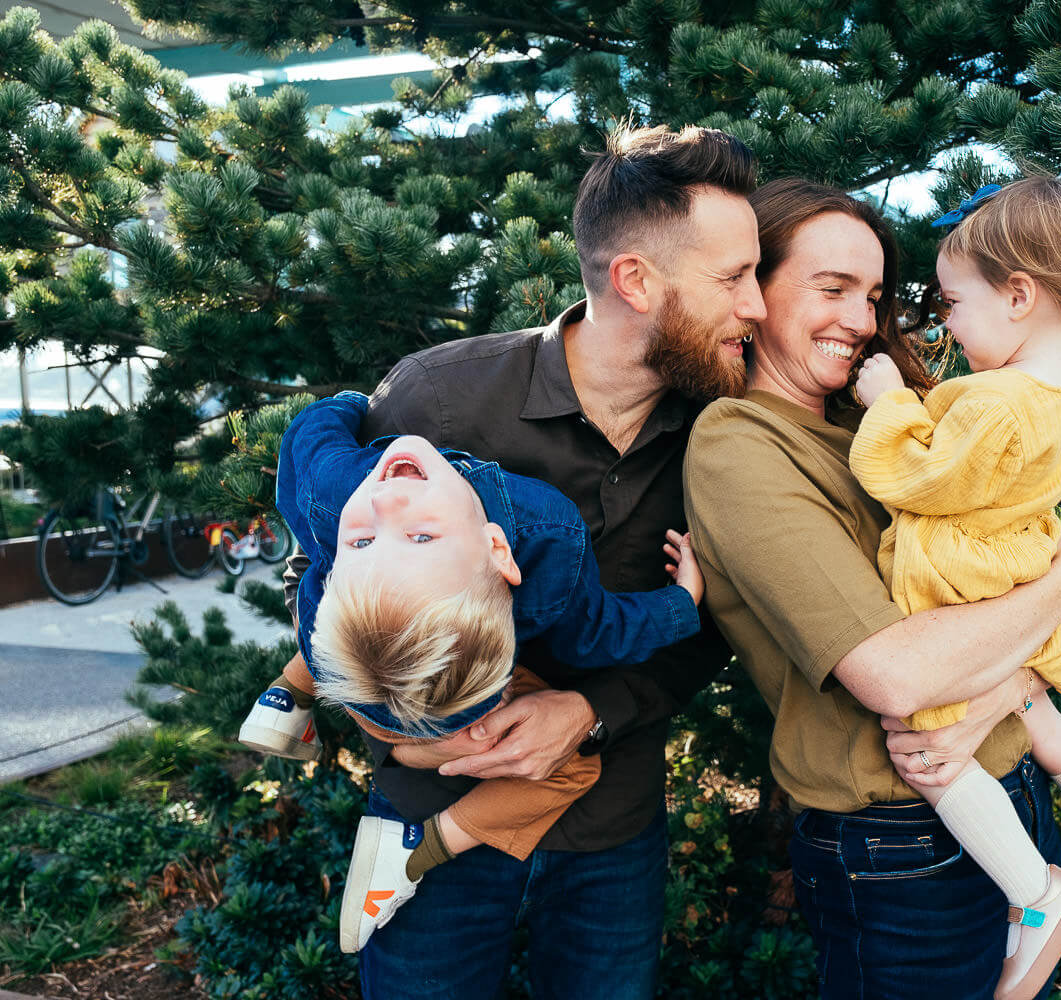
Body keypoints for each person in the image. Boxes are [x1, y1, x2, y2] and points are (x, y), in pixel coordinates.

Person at [277, 123, 764, 999]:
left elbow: (714, 622)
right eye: (733, 279)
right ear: (636, 281)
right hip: (427, 824)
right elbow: (324, 569)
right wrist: (407, 727)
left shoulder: (721, 435)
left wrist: (590, 710)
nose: (757, 306)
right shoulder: (441, 398)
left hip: (612, 828)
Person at [683, 177, 1061, 1000]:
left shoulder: (874, 433)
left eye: (871, 296)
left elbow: (994, 579)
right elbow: (896, 675)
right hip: (902, 840)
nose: (862, 321)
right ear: (753, 292)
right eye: (830, 289)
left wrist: (999, 688)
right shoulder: (741, 444)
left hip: (1003, 797)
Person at [848, 177, 1061, 999]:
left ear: (1020, 294)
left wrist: (887, 401)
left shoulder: (996, 399)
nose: (946, 323)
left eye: (954, 302)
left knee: (928, 746)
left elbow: (917, 478)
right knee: (1038, 712)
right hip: (1024, 560)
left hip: (966, 579)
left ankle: (1037, 896)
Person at [238, 391, 704, 953]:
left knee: (358, 619)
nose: (387, 505)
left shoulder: (339, 492)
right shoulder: (545, 535)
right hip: (414, 692)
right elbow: (598, 630)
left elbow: (305, 438)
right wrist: (683, 602)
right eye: (413, 537)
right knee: (571, 770)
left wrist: (343, 403)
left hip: (358, 664)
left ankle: (288, 696)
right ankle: (418, 848)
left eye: (415, 538)